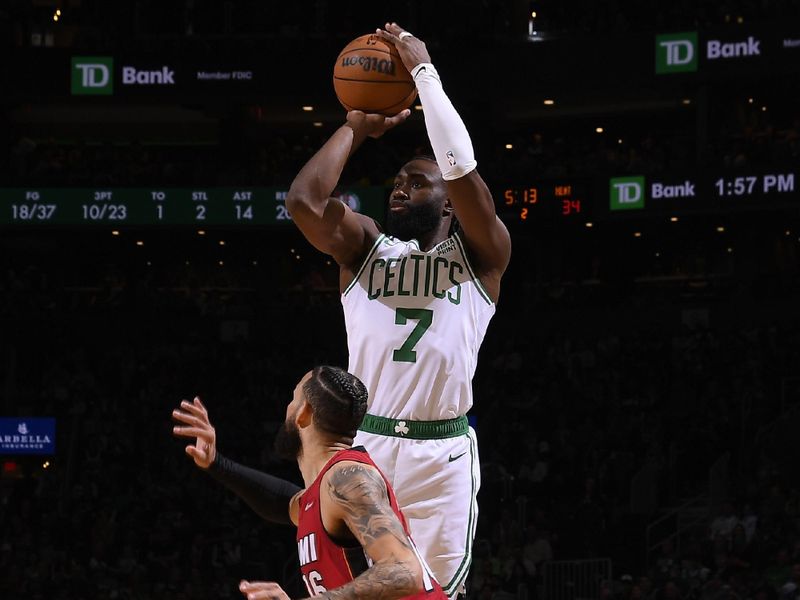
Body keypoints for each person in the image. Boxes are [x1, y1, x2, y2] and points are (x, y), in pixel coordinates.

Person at [284, 22, 511, 597]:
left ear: (449, 206)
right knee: (371, 589)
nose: (400, 189)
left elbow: (461, 170)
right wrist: (354, 127)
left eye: (416, 182)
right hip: (370, 445)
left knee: (432, 594)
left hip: (442, 454)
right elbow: (305, 203)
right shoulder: (364, 247)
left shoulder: (484, 255)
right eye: (397, 182)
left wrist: (426, 77)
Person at [172, 365, 447, 600]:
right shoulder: (323, 491)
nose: (287, 407)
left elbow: (405, 569)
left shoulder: (348, 478)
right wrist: (217, 463)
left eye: (292, 398)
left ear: (304, 412)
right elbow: (283, 503)